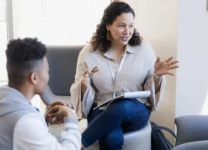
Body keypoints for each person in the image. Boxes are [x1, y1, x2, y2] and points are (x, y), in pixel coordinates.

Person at [70, 1, 179, 149]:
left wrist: (157, 75)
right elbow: (78, 89)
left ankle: (78, 144)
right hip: (101, 109)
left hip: (136, 109)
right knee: (110, 138)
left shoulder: (144, 49)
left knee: (120, 106)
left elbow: (151, 93)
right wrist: (84, 84)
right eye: (122, 25)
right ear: (108, 25)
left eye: (131, 25)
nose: (127, 31)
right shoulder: (89, 53)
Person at [0, 38, 81, 150]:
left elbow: (14, 130)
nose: (48, 77)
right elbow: (22, 126)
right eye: (47, 71)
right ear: (34, 78)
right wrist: (72, 120)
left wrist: (42, 120)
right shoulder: (25, 121)